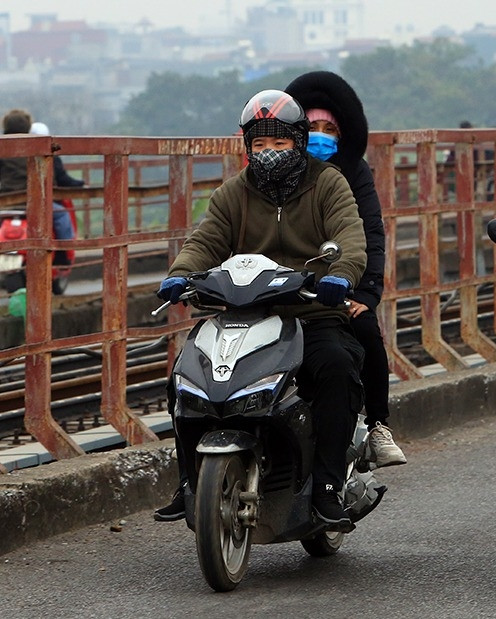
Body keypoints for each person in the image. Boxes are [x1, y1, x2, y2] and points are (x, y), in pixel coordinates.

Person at [154, 89, 367, 530]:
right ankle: (190, 481)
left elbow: (350, 234)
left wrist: (340, 275)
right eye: (259, 145)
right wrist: (181, 273)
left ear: (298, 142)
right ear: (247, 147)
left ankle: (327, 487)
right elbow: (205, 240)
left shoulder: (328, 183)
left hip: (310, 312)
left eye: (279, 143)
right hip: (243, 312)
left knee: (336, 367)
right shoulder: (234, 192)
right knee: (185, 375)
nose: (268, 153)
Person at [285, 69, 407, 468]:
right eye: (311, 126)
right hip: (284, 284)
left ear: (341, 134)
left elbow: (370, 231)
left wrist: (365, 293)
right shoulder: (275, 172)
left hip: (340, 282)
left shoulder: (354, 173)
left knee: (366, 329)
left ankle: (377, 425)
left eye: (328, 128)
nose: (320, 135)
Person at [0, 109, 75, 251]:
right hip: (37, 201)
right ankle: (63, 253)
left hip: (7, 202)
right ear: (28, 126)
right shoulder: (36, 145)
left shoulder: (2, 146)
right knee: (61, 216)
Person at [29, 122, 86, 188]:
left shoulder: (21, 156)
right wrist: (80, 183)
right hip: (49, 195)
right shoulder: (53, 158)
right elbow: (63, 179)